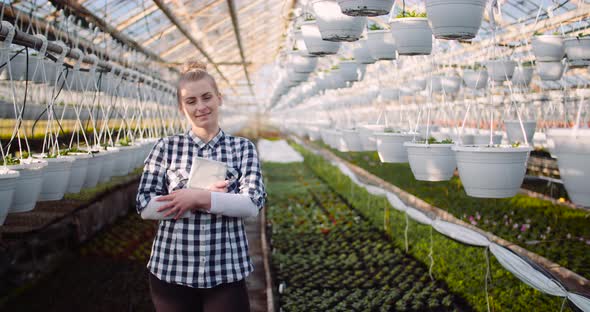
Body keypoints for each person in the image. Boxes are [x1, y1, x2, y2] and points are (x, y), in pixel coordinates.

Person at [135, 61, 266, 312]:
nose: (201, 107)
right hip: (171, 269)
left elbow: (251, 204)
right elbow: (145, 206)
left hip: (225, 270)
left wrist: (197, 198)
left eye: (207, 97)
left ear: (219, 98)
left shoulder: (242, 148)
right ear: (181, 107)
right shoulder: (166, 148)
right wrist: (211, 200)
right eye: (191, 101)